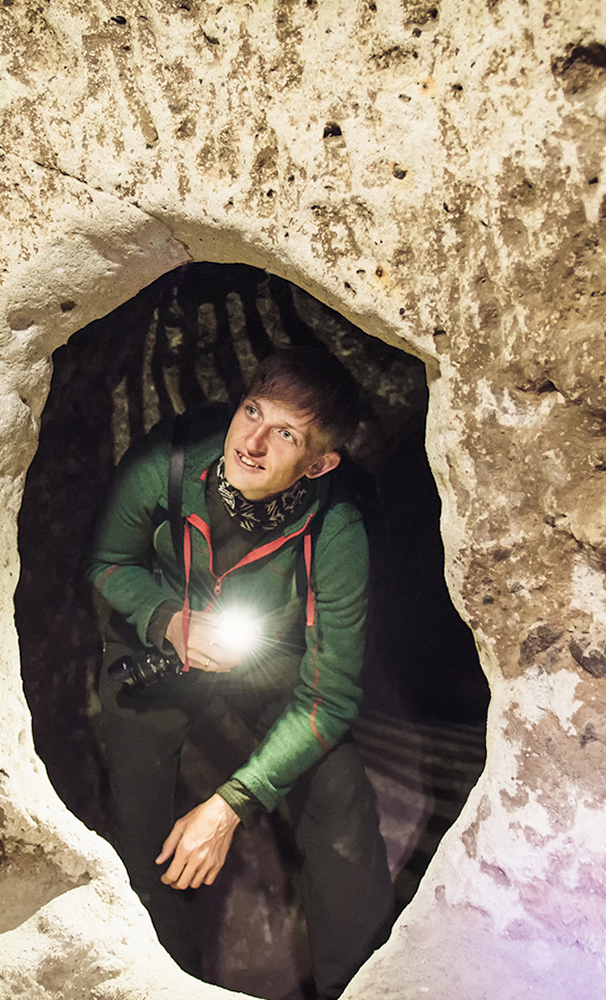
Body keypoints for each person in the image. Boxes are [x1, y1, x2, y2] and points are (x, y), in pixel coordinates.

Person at [85, 346, 395, 998]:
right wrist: (169, 620)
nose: (252, 443)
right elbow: (109, 564)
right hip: (167, 637)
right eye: (252, 412)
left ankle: (366, 983)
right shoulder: (164, 466)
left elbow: (329, 697)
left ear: (320, 463)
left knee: (339, 795)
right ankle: (163, 973)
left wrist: (231, 805)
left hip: (267, 655)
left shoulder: (334, 531)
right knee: (139, 805)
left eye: (286, 434)